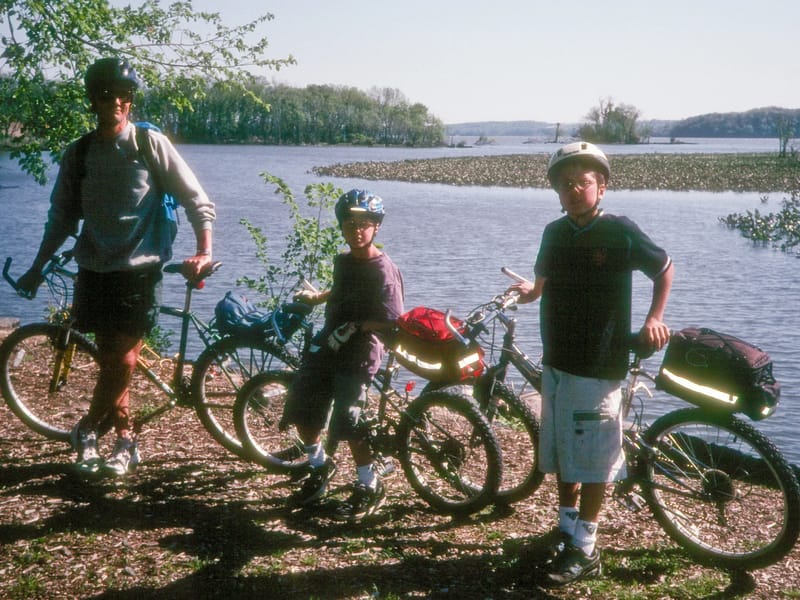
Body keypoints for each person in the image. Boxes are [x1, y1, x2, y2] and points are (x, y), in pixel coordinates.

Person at [16, 57, 216, 478]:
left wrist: (203, 249)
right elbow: (61, 219)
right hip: (95, 269)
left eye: (123, 96)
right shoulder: (80, 153)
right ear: (93, 101)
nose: (115, 103)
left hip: (139, 269)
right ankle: (126, 441)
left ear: (130, 102)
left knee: (123, 360)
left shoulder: (148, 145)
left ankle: (88, 430)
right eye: (106, 96)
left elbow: (196, 199)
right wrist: (36, 266)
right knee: (113, 360)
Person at [509, 141, 673, 586]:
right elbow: (541, 283)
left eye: (583, 181)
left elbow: (664, 268)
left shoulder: (620, 231)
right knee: (565, 448)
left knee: (595, 457)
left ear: (601, 187)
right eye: (565, 184)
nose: (573, 189)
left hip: (599, 364)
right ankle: (566, 529)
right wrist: (530, 291)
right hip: (556, 360)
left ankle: (587, 547)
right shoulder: (554, 233)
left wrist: (654, 317)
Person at [281, 189, 404, 522]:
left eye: (365, 223)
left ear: (377, 227)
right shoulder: (343, 260)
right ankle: (320, 465)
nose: (357, 230)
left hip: (363, 346)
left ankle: (368, 482)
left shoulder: (382, 270)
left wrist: (357, 326)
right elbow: (341, 290)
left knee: (350, 418)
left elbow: (393, 321)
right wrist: (318, 297)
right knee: (302, 402)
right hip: (330, 341)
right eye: (350, 223)